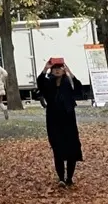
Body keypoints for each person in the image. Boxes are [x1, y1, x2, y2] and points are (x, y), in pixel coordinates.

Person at [35, 56, 84, 186]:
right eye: (55, 68)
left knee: (71, 148)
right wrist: (45, 68)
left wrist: (70, 73)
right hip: (53, 119)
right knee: (57, 148)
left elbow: (79, 90)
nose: (57, 71)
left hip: (68, 120)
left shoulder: (68, 83)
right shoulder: (48, 83)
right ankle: (61, 178)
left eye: (60, 68)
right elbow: (39, 82)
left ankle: (69, 178)